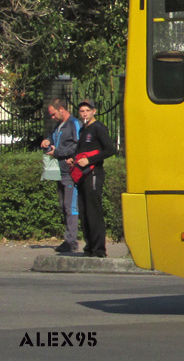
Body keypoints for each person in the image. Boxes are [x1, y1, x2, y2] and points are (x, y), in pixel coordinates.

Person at [72, 99, 116, 258]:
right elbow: (80, 150)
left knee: (93, 211)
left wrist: (90, 160)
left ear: (94, 112)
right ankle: (89, 247)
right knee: (83, 211)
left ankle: (99, 249)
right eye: (82, 111)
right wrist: (73, 158)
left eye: (87, 111)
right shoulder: (83, 130)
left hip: (94, 173)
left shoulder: (98, 128)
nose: (84, 114)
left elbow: (110, 149)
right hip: (82, 175)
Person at [40, 99, 79, 253]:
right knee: (64, 206)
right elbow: (54, 137)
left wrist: (57, 153)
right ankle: (68, 238)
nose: (52, 117)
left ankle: (72, 241)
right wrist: (47, 140)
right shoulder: (60, 125)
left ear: (61, 109)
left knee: (71, 207)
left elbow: (76, 146)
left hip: (70, 172)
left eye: (53, 114)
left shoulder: (74, 124)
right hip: (60, 172)